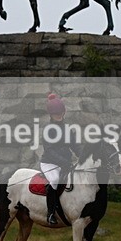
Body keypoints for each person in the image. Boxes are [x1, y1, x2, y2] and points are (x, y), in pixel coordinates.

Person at [40, 93, 82, 225]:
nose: (58, 115)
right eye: (55, 114)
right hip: (49, 163)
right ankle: (51, 213)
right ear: (51, 115)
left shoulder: (67, 129)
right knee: (54, 180)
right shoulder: (48, 129)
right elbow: (50, 150)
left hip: (66, 164)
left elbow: (75, 146)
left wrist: (84, 156)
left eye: (60, 112)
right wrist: (65, 163)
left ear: (64, 112)